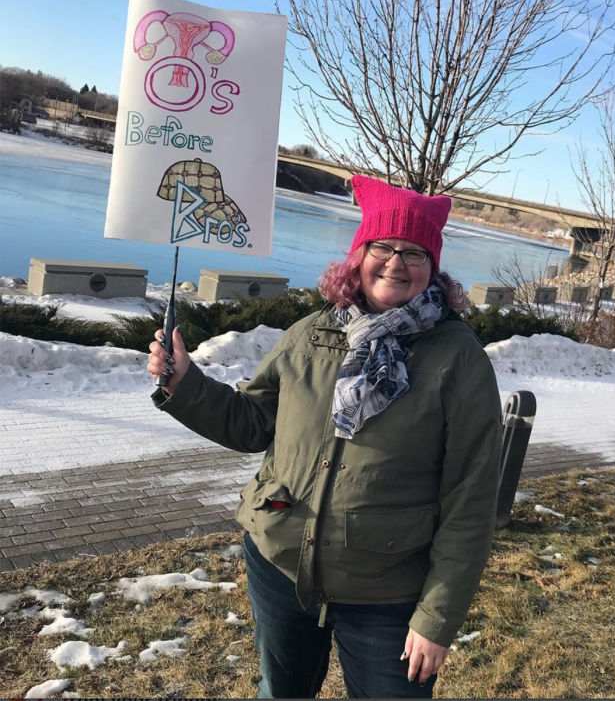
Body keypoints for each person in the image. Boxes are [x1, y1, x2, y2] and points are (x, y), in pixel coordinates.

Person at [148, 174, 502, 699]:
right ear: (359, 254)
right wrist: (186, 384)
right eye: (383, 246)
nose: (396, 263)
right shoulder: (312, 332)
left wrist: (437, 617)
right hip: (280, 566)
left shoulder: (457, 358)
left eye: (415, 253)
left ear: (434, 269)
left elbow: (471, 498)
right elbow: (252, 422)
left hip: (387, 591)